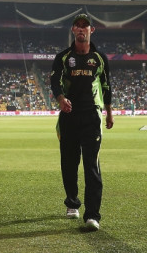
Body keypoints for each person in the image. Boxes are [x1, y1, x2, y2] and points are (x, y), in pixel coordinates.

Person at [50, 13, 114, 232]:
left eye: (84, 26)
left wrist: (109, 112)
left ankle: (93, 215)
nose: (81, 29)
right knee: (69, 163)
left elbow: (106, 86)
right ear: (72, 30)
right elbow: (54, 81)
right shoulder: (63, 57)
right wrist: (60, 99)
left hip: (91, 117)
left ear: (91, 30)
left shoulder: (99, 58)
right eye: (77, 25)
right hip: (68, 116)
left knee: (92, 165)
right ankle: (72, 202)